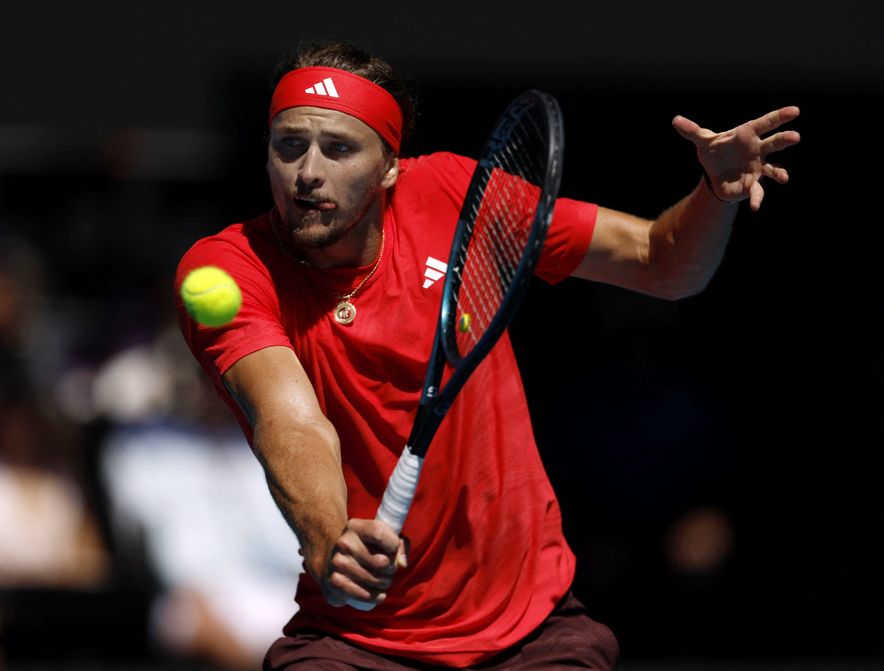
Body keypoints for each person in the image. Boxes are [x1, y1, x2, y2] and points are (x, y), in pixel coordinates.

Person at [175, 39, 800, 670]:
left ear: (389, 166)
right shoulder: (230, 268)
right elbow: (289, 421)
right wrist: (329, 540)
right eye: (290, 145)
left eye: (339, 148)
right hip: (358, 640)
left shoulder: (457, 195)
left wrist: (715, 193)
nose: (308, 171)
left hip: (529, 626)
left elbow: (660, 261)